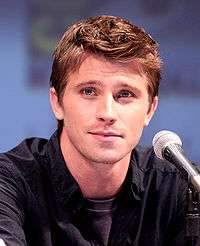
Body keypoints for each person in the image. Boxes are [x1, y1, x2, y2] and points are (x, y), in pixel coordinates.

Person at [0, 15, 188, 246]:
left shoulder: (182, 188)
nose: (107, 113)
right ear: (57, 103)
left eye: (125, 94)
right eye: (89, 91)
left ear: (150, 109)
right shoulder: (9, 181)